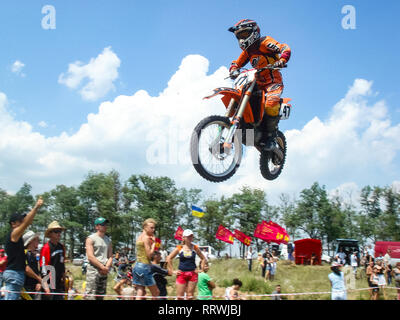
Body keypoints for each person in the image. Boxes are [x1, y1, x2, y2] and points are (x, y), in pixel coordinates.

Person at [228, 19, 291, 151]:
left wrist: (282, 59)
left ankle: (271, 137)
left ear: (254, 32)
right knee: (242, 98)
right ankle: (244, 130)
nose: (242, 39)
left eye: (244, 35)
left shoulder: (264, 42)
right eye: (239, 36)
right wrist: (233, 69)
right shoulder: (248, 51)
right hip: (256, 82)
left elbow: (284, 47)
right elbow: (236, 62)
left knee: (270, 103)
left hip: (272, 80)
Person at [3, 197, 43, 300]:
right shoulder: (14, 234)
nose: (22, 222)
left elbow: (27, 222)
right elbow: (27, 223)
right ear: (13, 224)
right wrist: (36, 207)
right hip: (14, 274)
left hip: (15, 274)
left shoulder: (16, 237)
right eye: (20, 221)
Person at [166, 229, 206, 300]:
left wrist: (201, 269)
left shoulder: (195, 247)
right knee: (180, 297)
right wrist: (172, 271)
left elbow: (203, 258)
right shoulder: (179, 247)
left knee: (190, 296)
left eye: (191, 236)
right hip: (181, 273)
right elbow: (169, 258)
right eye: (188, 236)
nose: (190, 238)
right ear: (183, 237)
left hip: (192, 273)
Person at [85, 217, 113, 300]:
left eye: (106, 224)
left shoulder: (108, 240)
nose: (105, 226)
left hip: (104, 270)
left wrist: (106, 267)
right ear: (97, 227)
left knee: (101, 294)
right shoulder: (90, 239)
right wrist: (102, 266)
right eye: (103, 224)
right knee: (90, 295)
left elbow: (110, 256)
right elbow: (90, 256)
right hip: (93, 270)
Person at [132, 218, 160, 300]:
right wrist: (154, 243)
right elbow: (149, 255)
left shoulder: (139, 237)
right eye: (151, 228)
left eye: (154, 228)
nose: (153, 230)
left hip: (137, 266)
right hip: (144, 267)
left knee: (140, 292)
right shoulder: (146, 238)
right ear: (145, 227)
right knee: (156, 293)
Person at [40, 220, 67, 300]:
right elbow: (43, 268)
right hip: (50, 282)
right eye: (56, 231)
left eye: (60, 231)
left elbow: (62, 264)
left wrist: (64, 277)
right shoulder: (46, 248)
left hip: (59, 282)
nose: (59, 233)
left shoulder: (61, 247)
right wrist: (45, 286)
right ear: (50, 233)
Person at [22, 231, 49, 300]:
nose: (38, 241)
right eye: (37, 239)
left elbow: (37, 270)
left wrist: (39, 282)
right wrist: (39, 279)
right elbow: (26, 269)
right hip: (25, 288)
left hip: (35, 288)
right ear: (31, 241)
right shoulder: (23, 253)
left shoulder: (34, 255)